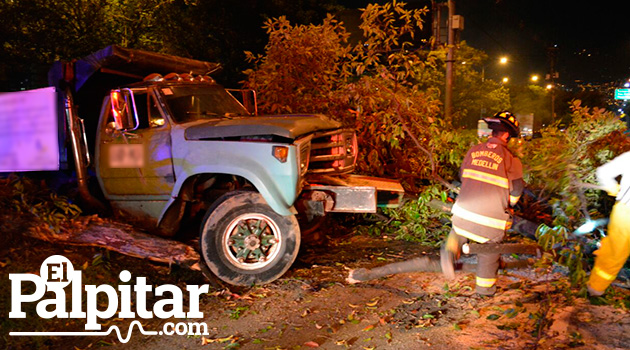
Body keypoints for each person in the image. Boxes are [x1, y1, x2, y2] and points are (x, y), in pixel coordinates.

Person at [441, 111, 525, 296]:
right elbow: (517, 189)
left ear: (492, 132)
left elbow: (463, 176)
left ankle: (450, 251)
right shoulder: (511, 159)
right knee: (489, 252)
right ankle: (484, 290)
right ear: (506, 135)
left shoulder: (473, 150)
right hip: (490, 222)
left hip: (462, 214)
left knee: (458, 230)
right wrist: (509, 205)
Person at [587, 151, 630, 296]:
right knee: (614, 252)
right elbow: (603, 172)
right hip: (625, 212)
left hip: (625, 210)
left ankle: (596, 289)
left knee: (614, 252)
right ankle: (596, 288)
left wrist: (613, 189)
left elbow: (604, 172)